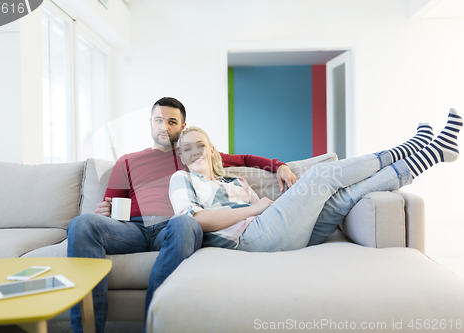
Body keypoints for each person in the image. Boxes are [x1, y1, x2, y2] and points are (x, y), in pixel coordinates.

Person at [66, 97, 297, 333]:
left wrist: (279, 165)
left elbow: (245, 159)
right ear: (150, 123)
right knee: (81, 224)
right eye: (159, 120)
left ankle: (153, 327)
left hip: (173, 227)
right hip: (132, 229)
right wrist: (105, 210)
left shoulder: (192, 153)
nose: (164, 127)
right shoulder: (127, 161)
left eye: (172, 122)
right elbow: (110, 205)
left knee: (185, 223)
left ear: (182, 127)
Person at [169, 109, 462, 252]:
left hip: (274, 229)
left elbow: (269, 209)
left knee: (343, 199)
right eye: (187, 148)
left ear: (211, 149)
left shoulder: (233, 182)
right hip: (248, 241)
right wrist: (255, 210)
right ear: (181, 156)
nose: (194, 151)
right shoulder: (181, 179)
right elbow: (197, 220)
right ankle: (410, 147)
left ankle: (433, 152)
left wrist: (279, 203)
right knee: (321, 175)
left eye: (200, 145)